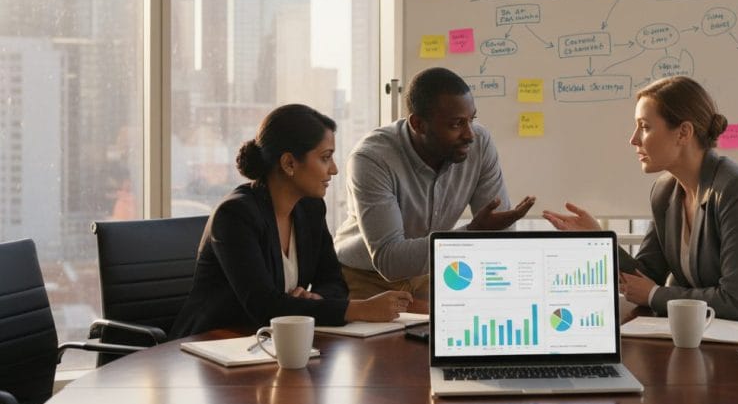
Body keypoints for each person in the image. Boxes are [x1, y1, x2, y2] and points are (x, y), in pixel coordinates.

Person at [542, 76, 738, 330]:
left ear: (683, 132)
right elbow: (645, 277)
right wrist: (599, 241)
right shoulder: (665, 192)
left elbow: (737, 302)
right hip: (723, 339)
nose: (633, 139)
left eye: (645, 127)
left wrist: (655, 295)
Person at [170, 104, 411, 339]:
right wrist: (361, 309)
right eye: (325, 157)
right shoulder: (235, 215)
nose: (334, 169)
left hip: (270, 344)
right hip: (212, 345)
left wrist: (315, 297)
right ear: (289, 163)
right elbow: (264, 307)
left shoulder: (310, 208)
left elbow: (333, 281)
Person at [334, 67, 535, 301]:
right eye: (456, 124)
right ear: (418, 124)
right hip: (365, 276)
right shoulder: (372, 159)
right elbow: (389, 260)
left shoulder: (478, 143)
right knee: (384, 339)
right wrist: (472, 233)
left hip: (429, 270)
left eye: (472, 120)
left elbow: (498, 230)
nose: (470, 134)